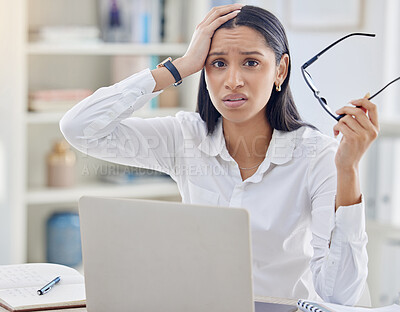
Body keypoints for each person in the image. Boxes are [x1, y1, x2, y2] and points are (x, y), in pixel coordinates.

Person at [60, 4, 379, 305]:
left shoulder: (317, 155)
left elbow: (339, 296)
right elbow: (79, 127)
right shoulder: (185, 137)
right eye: (218, 63)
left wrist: (348, 169)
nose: (233, 81)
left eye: (251, 63)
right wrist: (180, 67)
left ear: (280, 70)